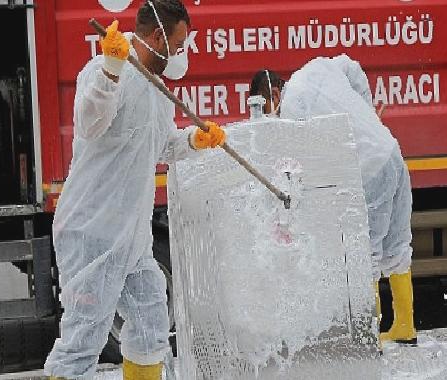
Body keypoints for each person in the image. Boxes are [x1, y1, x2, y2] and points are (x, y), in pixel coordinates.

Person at [44, 1, 226, 379]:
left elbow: (159, 145)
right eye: (178, 45)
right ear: (158, 36)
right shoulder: (104, 70)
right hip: (92, 231)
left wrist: (195, 139)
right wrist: (111, 70)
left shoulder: (155, 88)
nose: (179, 54)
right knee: (83, 338)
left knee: (150, 318)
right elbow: (89, 124)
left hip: (131, 236)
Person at [250, 55, 416, 344]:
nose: (273, 117)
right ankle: (405, 326)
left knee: (367, 255)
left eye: (268, 110)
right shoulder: (317, 67)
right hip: (391, 152)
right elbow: (354, 67)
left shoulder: (291, 109)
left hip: (368, 170)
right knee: (397, 245)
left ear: (274, 95)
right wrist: (366, 113)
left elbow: (296, 169)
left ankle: (370, 339)